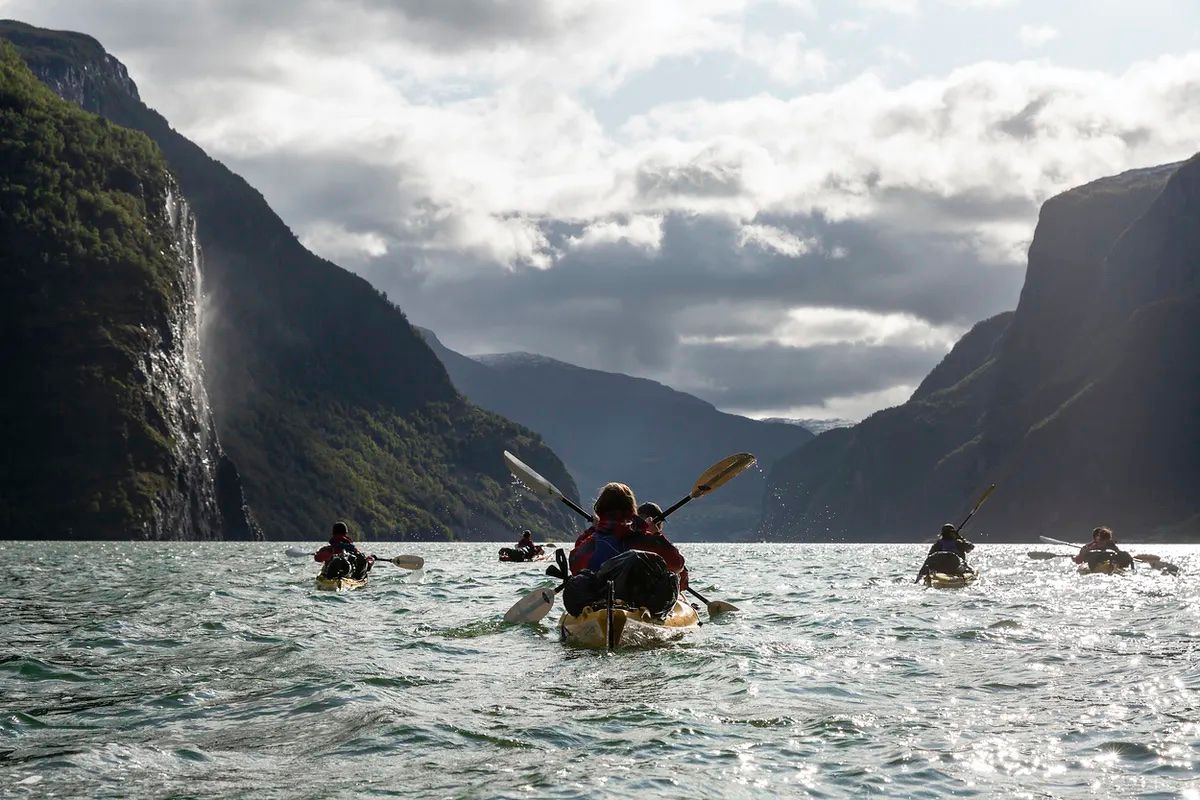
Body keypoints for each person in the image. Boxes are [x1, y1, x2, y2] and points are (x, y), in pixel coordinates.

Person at [568, 484, 688, 591]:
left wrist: (593, 530)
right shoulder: (646, 540)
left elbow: (575, 567)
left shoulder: (591, 542)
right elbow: (677, 564)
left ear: (600, 510)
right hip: (639, 605)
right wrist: (656, 534)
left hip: (597, 601)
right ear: (631, 509)